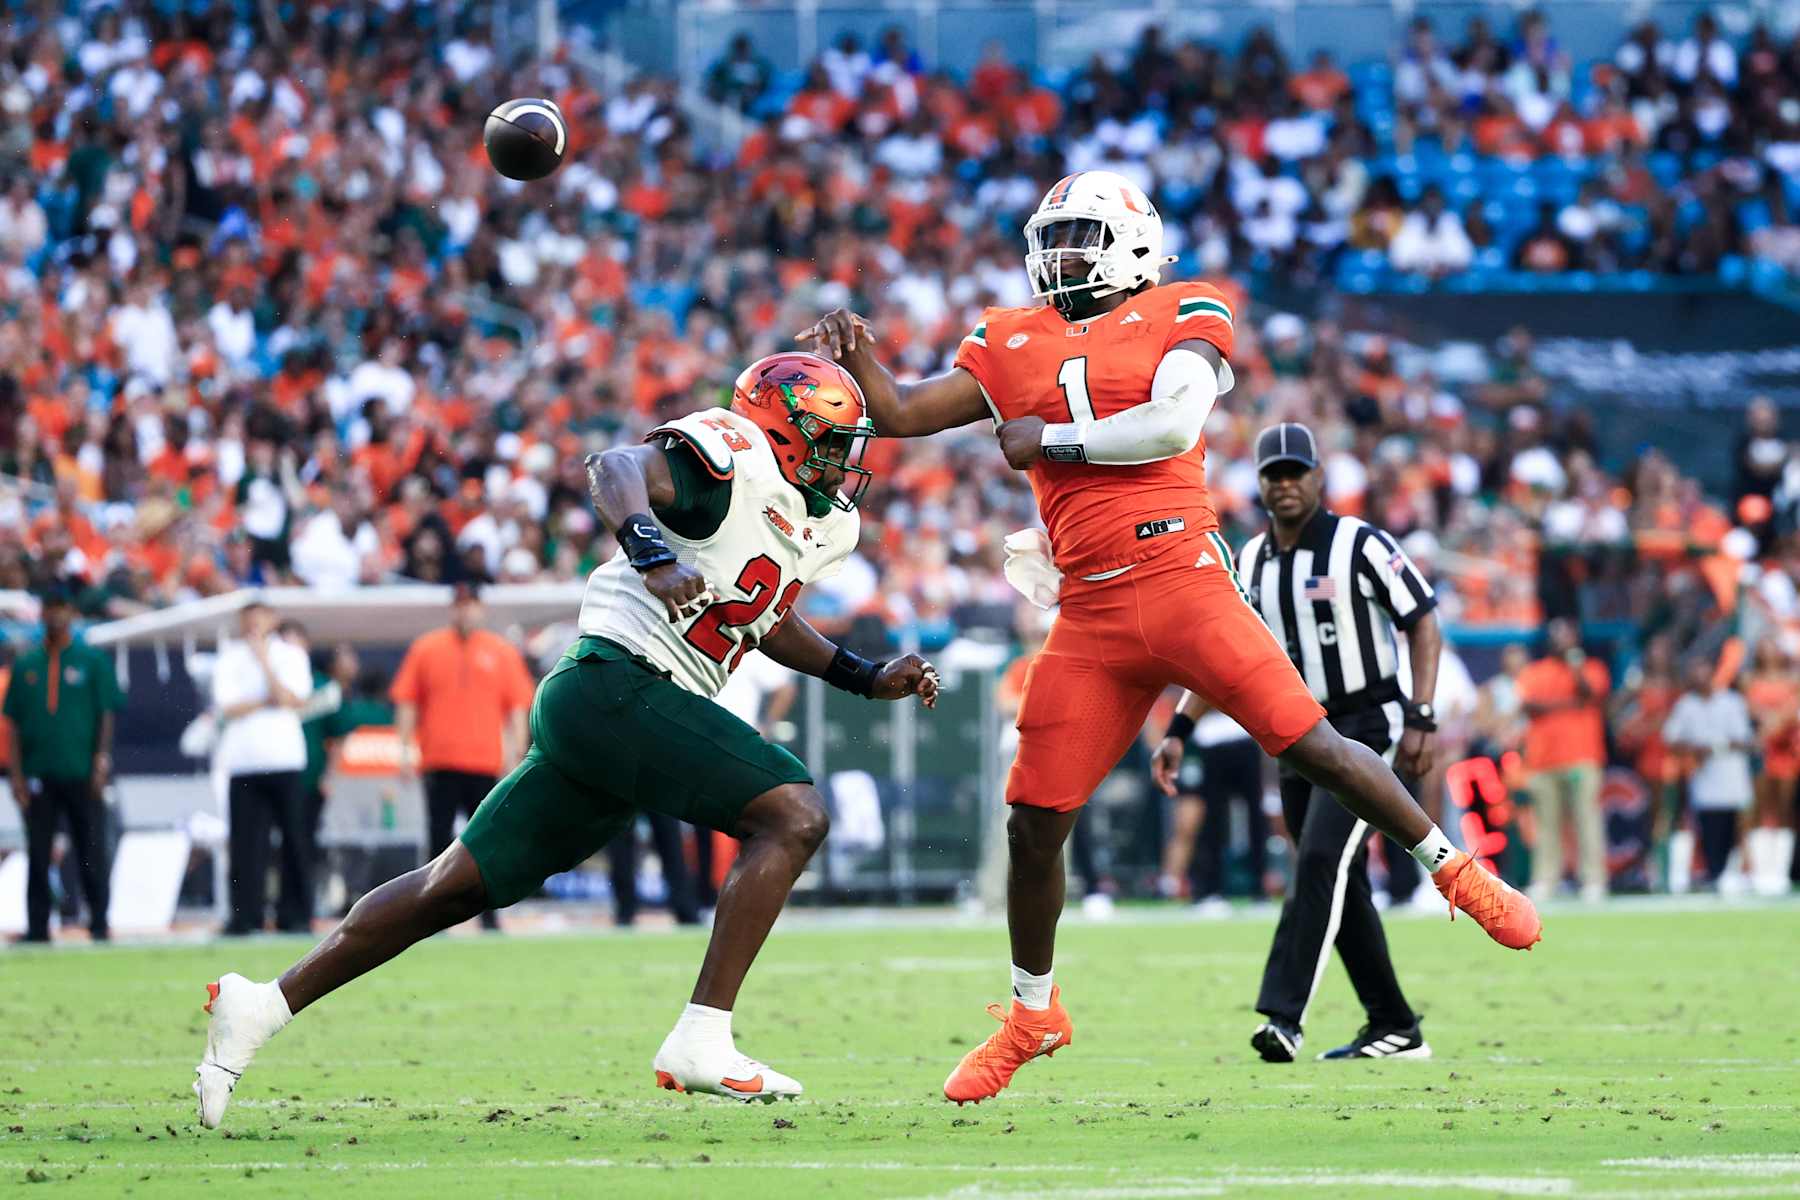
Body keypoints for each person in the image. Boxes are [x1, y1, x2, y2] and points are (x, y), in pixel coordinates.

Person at [800, 170, 1539, 1105]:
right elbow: (901, 414)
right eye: (1053, 236)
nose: (1061, 255)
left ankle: (1456, 872)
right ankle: (1034, 1013)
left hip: (1182, 578)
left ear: (1135, 242)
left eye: (1081, 236)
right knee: (1034, 823)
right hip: (1092, 612)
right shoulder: (1007, 334)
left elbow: (1174, 421)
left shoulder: (1189, 306)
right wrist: (856, 353)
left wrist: (1056, 440)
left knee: (1312, 743)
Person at [193, 352, 940, 1127]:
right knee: (795, 813)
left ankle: (264, 1005)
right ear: (785, 429)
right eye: (828, 440)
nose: (841, 462)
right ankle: (702, 1036)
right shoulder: (729, 458)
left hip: (616, 712)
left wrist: (861, 673)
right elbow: (614, 466)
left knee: (450, 887)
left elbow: (760, 611)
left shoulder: (817, 521)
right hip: (618, 683)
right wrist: (649, 551)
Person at [1153, 422, 1444, 1062]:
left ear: (1319, 477)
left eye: (1296, 472)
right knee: (1339, 880)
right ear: (1259, 486)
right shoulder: (1250, 560)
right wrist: (1180, 727)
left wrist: (1422, 714)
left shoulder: (1360, 544)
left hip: (1368, 725)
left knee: (1318, 864)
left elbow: (1422, 620)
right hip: (1298, 733)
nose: (1285, 485)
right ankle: (1394, 1024)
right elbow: (1222, 657)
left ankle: (1284, 1017)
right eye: (1273, 475)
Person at [390, 583, 535, 932]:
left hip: (484, 762)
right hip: (439, 760)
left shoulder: (500, 651)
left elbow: (517, 707)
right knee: (438, 840)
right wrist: (405, 750)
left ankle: (489, 914)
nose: (465, 611)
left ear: (480, 610)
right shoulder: (426, 648)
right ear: (452, 609)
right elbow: (407, 702)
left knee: (487, 843)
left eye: (470, 605)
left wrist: (516, 754)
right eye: (460, 605)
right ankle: (431, 916)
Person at [3, 582, 122, 943]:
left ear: (71, 613)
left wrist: (101, 759)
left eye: (61, 608)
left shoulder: (92, 660)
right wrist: (17, 775)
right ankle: (38, 927)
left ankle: (99, 922)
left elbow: (106, 713)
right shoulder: (26, 665)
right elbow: (13, 724)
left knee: (91, 848)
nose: (55, 614)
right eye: (49, 608)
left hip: (81, 771)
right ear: (42, 613)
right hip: (40, 772)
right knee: (38, 852)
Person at [213, 602, 315, 934]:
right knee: (244, 844)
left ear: (273, 619)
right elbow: (228, 708)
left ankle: (295, 915)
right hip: (243, 761)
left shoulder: (291, 655)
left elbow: (294, 698)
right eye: (248, 617)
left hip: (284, 758)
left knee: (294, 840)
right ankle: (245, 916)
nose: (254, 623)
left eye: (261, 616)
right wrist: (267, 700)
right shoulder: (229, 658)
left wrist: (264, 663)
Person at [1516, 617, 1610, 901]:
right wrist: (1569, 705)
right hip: (1542, 760)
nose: (1561, 640)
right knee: (1546, 825)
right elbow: (1529, 704)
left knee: (1587, 820)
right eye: (1556, 635)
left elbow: (1591, 693)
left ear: (1575, 637)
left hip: (1582, 757)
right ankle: (1547, 879)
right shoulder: (1535, 671)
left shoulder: (1591, 667)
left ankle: (1593, 879)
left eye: (1566, 634)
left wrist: (1576, 666)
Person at [1661, 658, 1755, 888]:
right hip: (1704, 776)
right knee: (1708, 827)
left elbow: (1745, 740)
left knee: (1734, 826)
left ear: (1712, 673)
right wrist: (1693, 750)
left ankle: (1734, 872)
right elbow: (1670, 738)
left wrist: (1713, 747)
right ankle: (1714, 872)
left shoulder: (1731, 701)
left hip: (1731, 773)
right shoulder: (1686, 704)